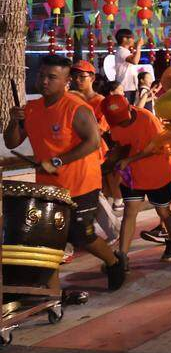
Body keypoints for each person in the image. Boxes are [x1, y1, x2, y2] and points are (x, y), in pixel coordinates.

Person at [3, 55, 127, 291]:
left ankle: (113, 262)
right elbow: (12, 142)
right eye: (41, 75)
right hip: (49, 187)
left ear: (66, 81)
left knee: (82, 236)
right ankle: (52, 295)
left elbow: (92, 142)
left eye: (52, 77)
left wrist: (57, 161)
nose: (44, 81)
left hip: (81, 184)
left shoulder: (76, 108)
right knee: (49, 239)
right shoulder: (31, 108)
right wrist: (12, 121)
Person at [101, 95, 171, 264]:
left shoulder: (147, 118)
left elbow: (156, 147)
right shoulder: (112, 123)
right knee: (129, 212)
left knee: (163, 211)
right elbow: (120, 144)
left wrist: (129, 159)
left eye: (123, 119)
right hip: (133, 176)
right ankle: (122, 256)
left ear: (129, 108)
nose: (121, 123)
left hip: (159, 172)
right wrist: (113, 157)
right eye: (116, 120)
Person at [69, 60, 121, 237]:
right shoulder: (70, 99)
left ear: (92, 78)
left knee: (92, 192)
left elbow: (99, 129)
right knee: (90, 193)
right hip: (74, 153)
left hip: (94, 153)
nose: (77, 80)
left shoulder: (101, 102)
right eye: (74, 76)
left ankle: (111, 231)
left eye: (81, 76)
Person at [113, 28, 143, 103]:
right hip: (125, 86)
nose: (133, 40)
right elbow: (135, 61)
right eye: (131, 38)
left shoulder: (125, 51)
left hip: (129, 85)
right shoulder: (122, 50)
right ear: (124, 39)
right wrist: (138, 46)